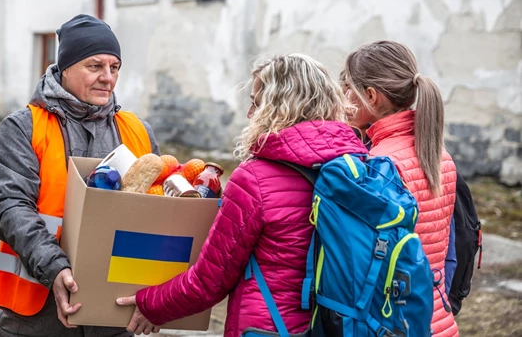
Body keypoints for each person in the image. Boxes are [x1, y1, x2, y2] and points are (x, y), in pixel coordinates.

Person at [117, 54, 368, 336]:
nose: (250, 114)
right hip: (339, 325)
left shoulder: (255, 180)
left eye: (256, 102)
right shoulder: (359, 167)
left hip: (270, 328)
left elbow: (209, 282)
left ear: (278, 106)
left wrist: (149, 304)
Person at [0, 14, 160, 337]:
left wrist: (160, 297)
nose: (107, 77)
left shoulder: (138, 132)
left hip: (115, 317)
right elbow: (9, 207)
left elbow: (158, 217)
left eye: (114, 67)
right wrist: (55, 268)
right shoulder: (24, 128)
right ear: (64, 68)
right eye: (94, 66)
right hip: (38, 316)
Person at [340, 40, 459, 337]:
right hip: (435, 316)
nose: (342, 97)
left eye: (348, 89)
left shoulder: (380, 164)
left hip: (395, 320)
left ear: (371, 96)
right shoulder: (440, 155)